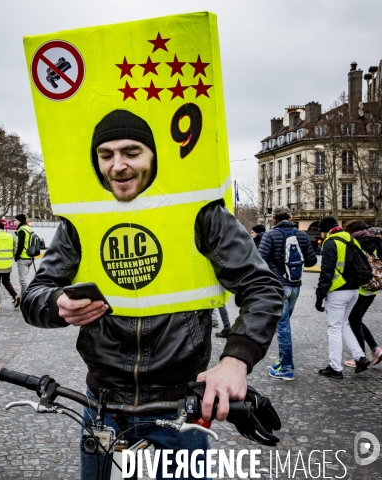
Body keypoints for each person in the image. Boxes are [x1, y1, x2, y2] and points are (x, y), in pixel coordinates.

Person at [21, 110, 283, 476]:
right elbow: (35, 294)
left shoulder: (203, 212)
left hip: (177, 409)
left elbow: (263, 287)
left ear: (154, 155)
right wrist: (55, 304)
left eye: (131, 152)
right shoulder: (78, 220)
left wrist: (235, 361)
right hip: (102, 406)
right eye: (106, 154)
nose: (118, 166)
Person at [258, 206, 317, 381]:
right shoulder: (302, 234)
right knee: (283, 324)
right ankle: (282, 360)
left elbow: (261, 261)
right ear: (291, 218)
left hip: (278, 285)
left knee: (282, 327)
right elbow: (312, 261)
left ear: (274, 219)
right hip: (295, 285)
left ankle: (287, 368)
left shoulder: (269, 235)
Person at [315, 216, 370, 379]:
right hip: (354, 290)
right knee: (343, 324)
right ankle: (360, 357)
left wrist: (320, 296)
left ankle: (335, 367)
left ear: (325, 230)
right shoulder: (350, 239)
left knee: (334, 328)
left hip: (338, 290)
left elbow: (327, 272)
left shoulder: (331, 242)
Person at [342, 220, 382, 367]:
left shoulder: (355, 244)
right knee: (357, 321)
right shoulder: (373, 244)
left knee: (354, 322)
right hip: (372, 289)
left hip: (359, 289)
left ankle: (360, 356)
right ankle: (375, 349)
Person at [0, 222, 20, 309]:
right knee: (6, 281)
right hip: (7, 262)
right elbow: (15, 248)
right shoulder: (10, 236)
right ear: (3, 227)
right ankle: (15, 295)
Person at [14, 214, 34, 294]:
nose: (15, 222)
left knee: (23, 279)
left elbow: (20, 245)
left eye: (15, 220)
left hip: (23, 257)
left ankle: (31, 293)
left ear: (19, 221)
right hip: (29, 256)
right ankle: (22, 297)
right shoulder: (28, 229)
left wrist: (16, 255)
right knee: (23, 279)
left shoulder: (22, 230)